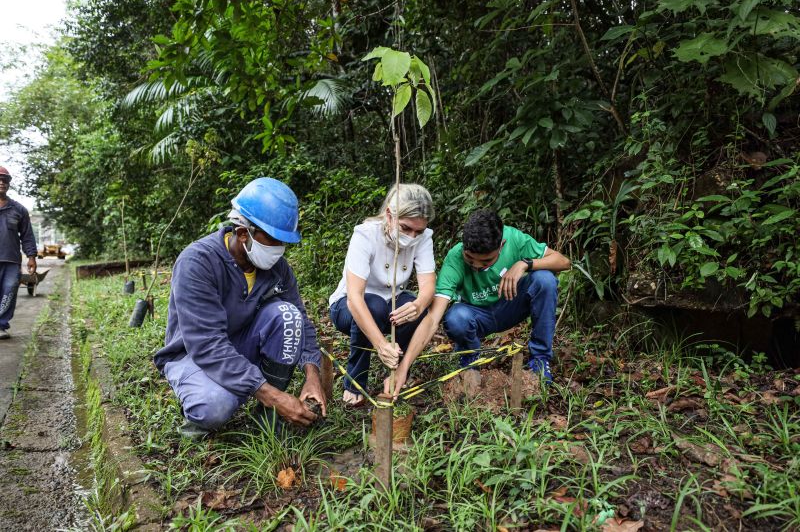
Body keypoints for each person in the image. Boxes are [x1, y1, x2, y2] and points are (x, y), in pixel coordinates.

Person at [154, 177, 326, 437]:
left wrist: (313, 374)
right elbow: (207, 344)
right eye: (273, 241)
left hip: (241, 345)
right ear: (244, 233)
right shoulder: (197, 262)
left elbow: (301, 319)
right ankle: (198, 425)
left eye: (284, 243)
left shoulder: (278, 269)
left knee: (289, 317)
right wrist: (274, 395)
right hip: (193, 354)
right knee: (216, 406)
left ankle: (266, 417)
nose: (280, 250)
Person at [385, 209, 570, 396]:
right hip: (477, 315)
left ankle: (540, 359)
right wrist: (403, 367)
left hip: (510, 305)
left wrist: (525, 264)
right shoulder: (454, 259)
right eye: (470, 259)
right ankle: (470, 359)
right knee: (455, 318)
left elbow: (563, 261)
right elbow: (433, 319)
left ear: (502, 245)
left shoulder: (514, 239)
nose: (477, 266)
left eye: (486, 261)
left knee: (545, 280)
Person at [329, 184, 436, 406]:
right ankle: (355, 380)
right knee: (374, 304)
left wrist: (417, 306)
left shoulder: (424, 238)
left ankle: (399, 372)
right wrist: (380, 345)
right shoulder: (366, 235)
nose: (413, 236)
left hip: (391, 306)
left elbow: (427, 289)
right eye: (406, 228)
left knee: (412, 304)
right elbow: (354, 298)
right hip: (347, 307)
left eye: (419, 231)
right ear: (389, 215)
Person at [0, 166, 37, 340]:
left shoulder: (18, 209)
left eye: (5, 180)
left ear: (9, 184)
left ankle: (1, 325)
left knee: (9, 290)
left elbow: (27, 235)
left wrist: (31, 257)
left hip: (11, 261)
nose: (2, 183)